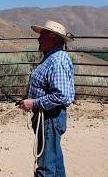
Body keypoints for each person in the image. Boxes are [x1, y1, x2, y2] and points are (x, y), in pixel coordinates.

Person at [18, 20, 75, 177]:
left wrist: (33, 102)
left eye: (42, 35)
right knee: (55, 161)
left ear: (54, 38)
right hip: (48, 117)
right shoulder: (51, 57)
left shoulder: (57, 60)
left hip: (50, 117)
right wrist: (28, 100)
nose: (38, 39)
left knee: (45, 166)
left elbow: (61, 95)